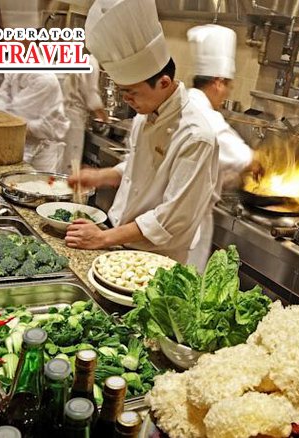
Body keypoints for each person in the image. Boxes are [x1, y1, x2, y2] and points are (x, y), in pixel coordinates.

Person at [66, 0, 219, 264]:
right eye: (123, 92)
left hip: (155, 259)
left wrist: (102, 238)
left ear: (164, 83)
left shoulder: (196, 137)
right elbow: (139, 168)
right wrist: (101, 176)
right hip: (121, 243)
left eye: (132, 92)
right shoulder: (145, 114)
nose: (127, 100)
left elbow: (170, 219)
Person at [185, 24, 253, 270]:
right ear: (218, 82)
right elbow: (247, 159)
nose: (226, 95)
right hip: (188, 224)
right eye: (229, 87)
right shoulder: (208, 117)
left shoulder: (184, 100)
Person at [0, 73, 70, 172]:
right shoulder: (14, 72)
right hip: (19, 140)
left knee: (41, 180)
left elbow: (19, 121)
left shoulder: (44, 79)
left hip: (42, 143)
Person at [57, 57, 109, 175]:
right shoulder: (91, 61)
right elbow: (91, 97)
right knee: (71, 163)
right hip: (73, 119)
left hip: (59, 116)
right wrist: (106, 119)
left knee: (60, 160)